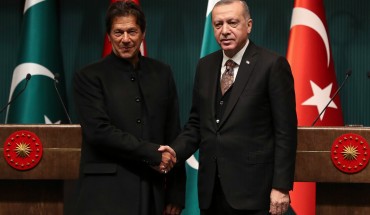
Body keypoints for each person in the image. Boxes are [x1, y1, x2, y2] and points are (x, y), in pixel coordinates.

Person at [160, 0, 297, 214]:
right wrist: (173, 152)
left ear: (249, 25)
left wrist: (281, 186)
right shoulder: (205, 66)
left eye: (232, 23)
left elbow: (285, 132)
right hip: (211, 192)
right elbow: (197, 124)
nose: (224, 31)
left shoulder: (272, 65)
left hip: (255, 193)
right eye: (218, 24)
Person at [72, 1, 185, 215]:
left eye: (132, 31)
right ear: (108, 35)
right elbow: (98, 132)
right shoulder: (89, 76)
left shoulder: (162, 73)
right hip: (105, 194)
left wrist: (176, 193)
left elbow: (173, 133)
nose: (125, 39)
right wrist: (151, 153)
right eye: (118, 32)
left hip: (153, 192)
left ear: (143, 33)